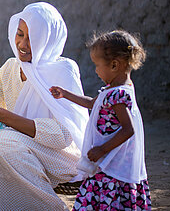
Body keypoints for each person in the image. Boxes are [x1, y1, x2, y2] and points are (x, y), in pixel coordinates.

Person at [0, 2, 88, 210]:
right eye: (20, 34)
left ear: (48, 40)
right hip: (17, 151)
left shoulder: (62, 71)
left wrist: (5, 117)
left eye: (32, 38)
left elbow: (64, 136)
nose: (23, 43)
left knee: (4, 140)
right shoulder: (11, 67)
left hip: (60, 158)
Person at [50, 30, 151, 210]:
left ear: (114, 65)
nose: (95, 70)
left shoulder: (118, 95)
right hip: (107, 163)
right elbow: (92, 103)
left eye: (97, 65)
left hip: (111, 164)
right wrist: (65, 94)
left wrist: (102, 149)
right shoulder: (112, 90)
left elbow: (129, 129)